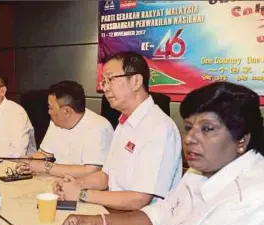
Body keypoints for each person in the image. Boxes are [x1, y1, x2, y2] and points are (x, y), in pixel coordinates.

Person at [56, 81, 264, 225]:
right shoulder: (201, 169)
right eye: (189, 128)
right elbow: (163, 213)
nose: (190, 138)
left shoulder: (249, 200)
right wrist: (98, 222)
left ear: (242, 140)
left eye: (207, 129)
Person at [54, 51, 182, 210]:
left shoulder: (159, 128)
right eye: (104, 82)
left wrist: (82, 194)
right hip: (115, 210)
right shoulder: (124, 123)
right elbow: (107, 176)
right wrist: (75, 184)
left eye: (110, 80)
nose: (105, 88)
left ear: (136, 81)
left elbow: (140, 198)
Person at [19, 80, 114, 178]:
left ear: (67, 111)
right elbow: (45, 154)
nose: (49, 112)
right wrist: (30, 164)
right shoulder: (56, 123)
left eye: (51, 108)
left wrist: (46, 167)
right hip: (57, 182)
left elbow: (92, 171)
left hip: (85, 188)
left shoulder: (99, 127)